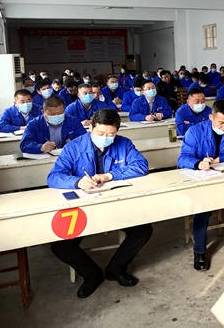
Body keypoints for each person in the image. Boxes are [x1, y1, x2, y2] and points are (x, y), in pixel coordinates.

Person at [47, 109, 153, 298]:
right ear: (90, 128)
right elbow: (54, 177)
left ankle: (116, 269)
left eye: (110, 135)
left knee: (143, 231)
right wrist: (77, 182)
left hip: (115, 204)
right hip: (83, 208)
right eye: (100, 133)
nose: (105, 138)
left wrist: (110, 175)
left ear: (117, 131)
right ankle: (92, 275)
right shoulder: (73, 147)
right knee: (60, 246)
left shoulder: (124, 144)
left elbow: (141, 166)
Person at [178, 100, 224, 271]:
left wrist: (220, 159)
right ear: (211, 117)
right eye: (221, 122)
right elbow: (183, 158)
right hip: (205, 180)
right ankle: (199, 251)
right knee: (203, 208)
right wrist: (198, 164)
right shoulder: (195, 131)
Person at [20, 97, 87, 154]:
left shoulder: (73, 121)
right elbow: (24, 145)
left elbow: (85, 140)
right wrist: (41, 147)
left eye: (60, 113)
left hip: (69, 155)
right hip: (44, 158)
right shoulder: (34, 124)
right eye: (52, 114)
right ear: (43, 112)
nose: (57, 116)